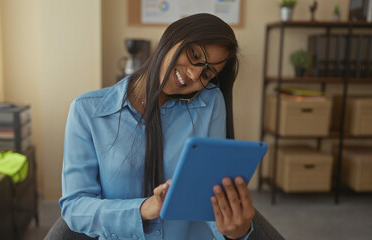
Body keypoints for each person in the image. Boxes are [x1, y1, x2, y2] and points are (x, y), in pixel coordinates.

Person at [60, 13, 255, 240]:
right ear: (173, 35)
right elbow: (75, 207)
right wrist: (143, 209)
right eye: (194, 55)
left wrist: (232, 232)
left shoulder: (209, 102)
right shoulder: (87, 111)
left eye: (208, 73)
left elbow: (209, 198)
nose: (194, 74)